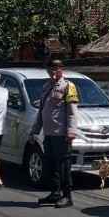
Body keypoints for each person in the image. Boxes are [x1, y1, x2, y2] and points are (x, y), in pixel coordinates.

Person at [32, 59, 78, 208]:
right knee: (51, 165)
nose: (54, 72)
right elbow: (41, 111)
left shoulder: (68, 86)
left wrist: (71, 131)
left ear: (62, 70)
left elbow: (72, 112)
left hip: (61, 134)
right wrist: (34, 130)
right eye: (51, 69)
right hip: (48, 133)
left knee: (64, 165)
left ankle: (67, 196)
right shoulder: (46, 87)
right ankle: (55, 193)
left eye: (57, 69)